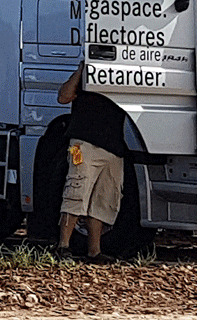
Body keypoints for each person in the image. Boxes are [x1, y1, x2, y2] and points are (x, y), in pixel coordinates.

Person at [55, 61, 127, 263]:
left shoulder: (122, 74)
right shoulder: (85, 75)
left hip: (113, 148)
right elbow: (63, 97)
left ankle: (94, 252)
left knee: (102, 201)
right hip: (82, 144)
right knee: (75, 193)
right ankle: (63, 247)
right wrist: (80, 70)